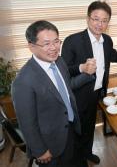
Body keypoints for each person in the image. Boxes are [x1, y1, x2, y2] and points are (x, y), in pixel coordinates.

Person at [61, 0, 117, 164]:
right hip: (78, 96)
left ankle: (87, 153)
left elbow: (113, 55)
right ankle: (79, 161)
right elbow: (63, 70)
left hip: (97, 93)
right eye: (96, 19)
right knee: (77, 131)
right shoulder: (73, 41)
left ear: (108, 22)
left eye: (104, 20)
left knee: (90, 127)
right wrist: (82, 68)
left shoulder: (107, 40)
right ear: (88, 19)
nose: (100, 24)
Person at [12, 20, 94, 167]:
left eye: (56, 41)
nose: (54, 48)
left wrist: (87, 74)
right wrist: (40, 150)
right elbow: (27, 122)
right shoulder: (23, 80)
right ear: (31, 46)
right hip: (51, 145)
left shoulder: (59, 61)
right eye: (46, 44)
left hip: (72, 130)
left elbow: (67, 88)